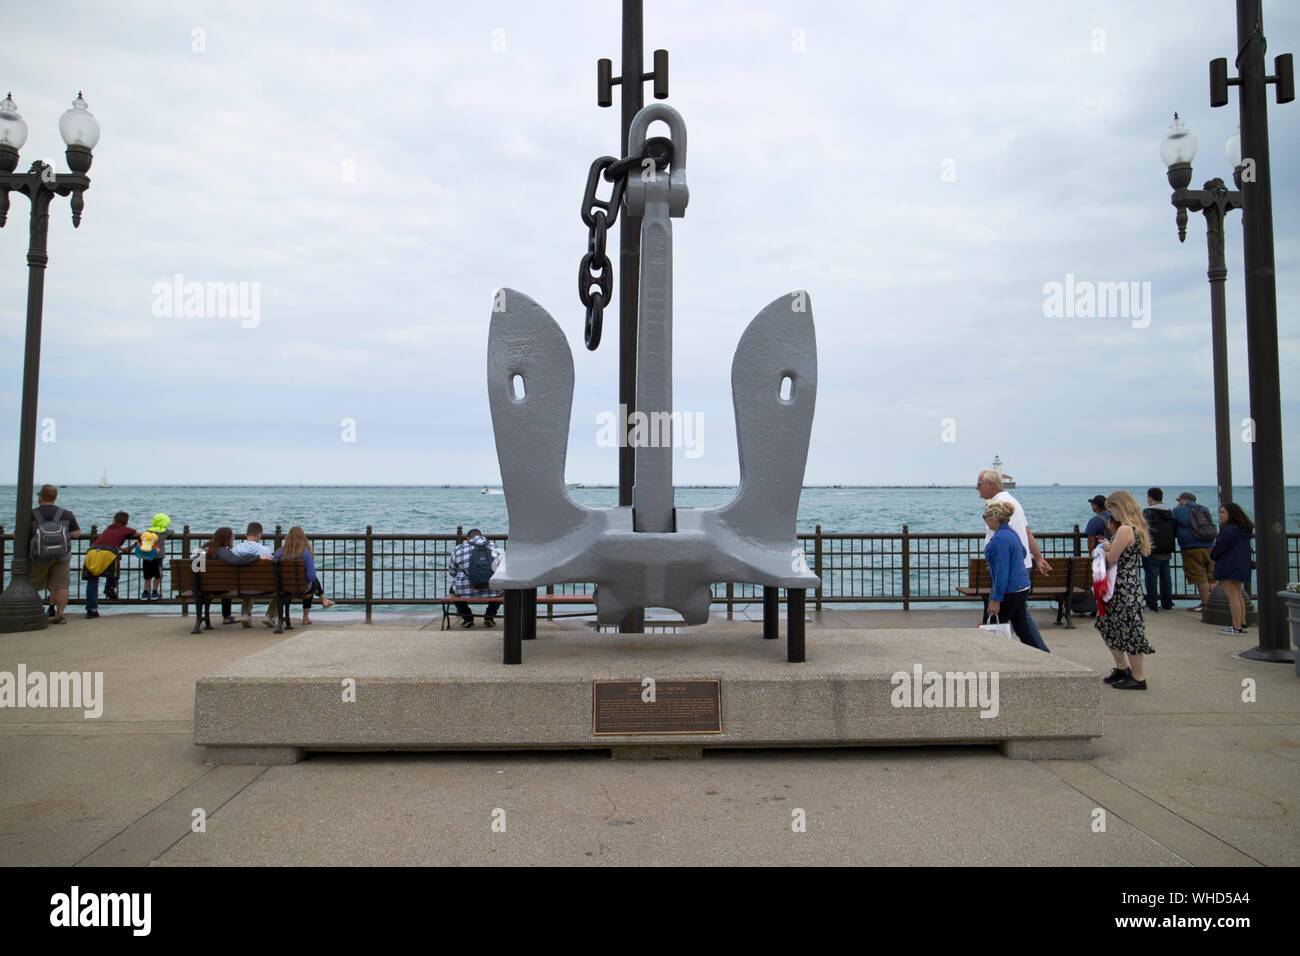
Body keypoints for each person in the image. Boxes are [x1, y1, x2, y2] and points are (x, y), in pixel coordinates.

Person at [977, 469, 1051, 649]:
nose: (977, 488)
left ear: (990, 485)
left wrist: (996, 597)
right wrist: (1038, 558)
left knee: (993, 623)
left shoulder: (997, 506)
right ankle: (1043, 656)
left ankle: (986, 658)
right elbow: (1026, 534)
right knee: (1021, 622)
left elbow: (1002, 570)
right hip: (1020, 574)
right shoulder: (1012, 503)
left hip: (1009, 577)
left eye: (979, 485)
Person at [1096, 490, 1155, 690]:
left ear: (1120, 506)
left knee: (1126, 628)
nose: (1111, 512)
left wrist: (1105, 549)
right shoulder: (1137, 528)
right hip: (1131, 583)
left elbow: (1113, 558)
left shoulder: (1124, 530)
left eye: (1112, 507)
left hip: (1121, 585)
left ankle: (1138, 677)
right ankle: (1122, 667)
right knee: (1112, 624)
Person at [29, 484, 81, 624]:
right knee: (61, 585)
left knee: (32, 584)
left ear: (40, 497)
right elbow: (76, 533)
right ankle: (59, 614)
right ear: (55, 497)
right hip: (61, 556)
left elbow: (20, 534)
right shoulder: (66, 513)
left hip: (38, 555)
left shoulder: (31, 514)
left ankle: (34, 612)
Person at [199, 526, 262, 626]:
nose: (233, 538)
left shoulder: (204, 547)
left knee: (224, 582)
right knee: (226, 584)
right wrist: (257, 557)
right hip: (216, 587)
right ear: (227, 538)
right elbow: (235, 560)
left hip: (200, 586)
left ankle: (216, 617)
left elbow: (193, 562)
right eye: (232, 536)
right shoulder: (222, 551)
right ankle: (226, 617)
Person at [272, 526, 334, 626]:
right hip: (302, 588)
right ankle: (306, 617)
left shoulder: (279, 553)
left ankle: (323, 599)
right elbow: (311, 576)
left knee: (308, 582)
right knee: (311, 582)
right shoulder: (305, 553)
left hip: (283, 588)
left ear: (288, 538)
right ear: (303, 538)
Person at [81, 511, 136, 619]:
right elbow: (142, 536)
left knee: (92, 581)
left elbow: (108, 541)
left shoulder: (108, 529)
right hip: (108, 553)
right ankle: (110, 588)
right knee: (113, 572)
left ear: (114, 520)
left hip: (93, 552)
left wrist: (121, 548)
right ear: (126, 522)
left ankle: (91, 609)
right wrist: (132, 546)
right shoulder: (126, 530)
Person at [1210, 502, 1254, 636]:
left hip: (1228, 564)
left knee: (1232, 597)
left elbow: (1220, 547)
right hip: (1241, 564)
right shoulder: (1243, 529)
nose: (1220, 515)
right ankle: (1242, 623)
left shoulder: (1228, 530)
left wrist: (1212, 555)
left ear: (1231, 514)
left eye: (1223, 512)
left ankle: (1236, 627)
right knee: (1238, 594)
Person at [448, 528, 503, 627]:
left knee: (453, 590)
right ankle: (489, 617)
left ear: (468, 539)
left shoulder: (459, 549)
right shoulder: (495, 548)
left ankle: (467, 618)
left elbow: (452, 571)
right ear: (482, 536)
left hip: (464, 590)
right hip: (492, 589)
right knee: (500, 589)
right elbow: (501, 570)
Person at [1172, 492, 1216, 611]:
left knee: (1200, 576)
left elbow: (1172, 525)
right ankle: (1215, 603)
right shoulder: (1204, 509)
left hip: (1191, 547)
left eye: (1180, 500)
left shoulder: (1178, 510)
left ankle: (1205, 604)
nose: (1179, 503)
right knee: (1211, 576)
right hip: (1210, 545)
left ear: (1185, 500)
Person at [230, 521, 274, 627]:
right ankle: (270, 616)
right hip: (261, 585)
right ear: (259, 535)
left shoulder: (236, 550)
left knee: (248, 582)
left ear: (246, 534)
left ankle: (245, 614)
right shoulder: (264, 550)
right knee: (260, 583)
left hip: (240, 586)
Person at [1141, 487, 1177, 612]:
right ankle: (1167, 603)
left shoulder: (1147, 512)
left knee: (1151, 577)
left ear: (1150, 497)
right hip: (1167, 549)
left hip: (1152, 549)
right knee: (1166, 578)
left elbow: (1143, 529)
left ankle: (1152, 604)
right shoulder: (1169, 512)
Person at [133, 513, 172, 601]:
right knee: (158, 576)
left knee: (148, 576)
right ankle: (154, 592)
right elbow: (172, 532)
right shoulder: (165, 532)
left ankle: (145, 593)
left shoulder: (148, 531)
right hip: (158, 557)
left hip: (147, 556)